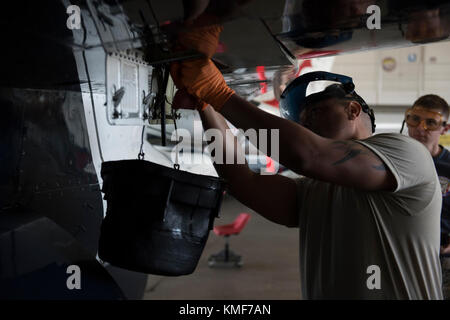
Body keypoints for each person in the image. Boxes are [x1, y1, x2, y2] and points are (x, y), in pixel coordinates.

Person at [169, 19, 443, 299]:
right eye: (302, 121)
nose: (307, 124)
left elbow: (307, 155)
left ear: (352, 109)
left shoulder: (406, 153)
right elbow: (241, 180)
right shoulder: (315, 189)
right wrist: (207, 106)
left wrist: (220, 93)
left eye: (317, 111)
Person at [404, 94, 450, 298]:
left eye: (431, 123)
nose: (420, 128)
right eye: (414, 119)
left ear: (445, 128)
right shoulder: (392, 162)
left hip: (442, 257)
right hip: (402, 253)